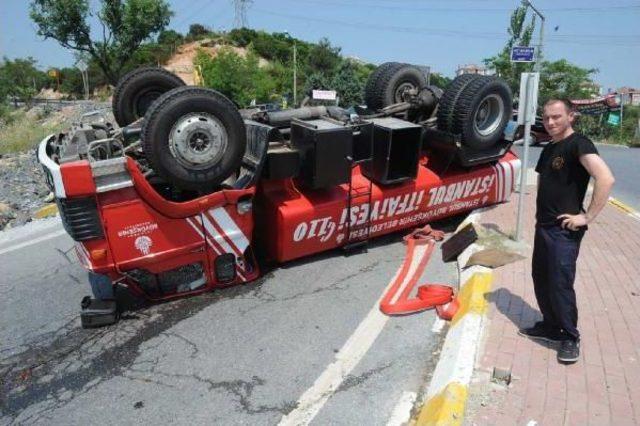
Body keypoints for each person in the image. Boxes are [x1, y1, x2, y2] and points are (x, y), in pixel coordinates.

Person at [518, 99, 615, 363]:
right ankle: (551, 326)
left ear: (571, 116)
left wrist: (587, 217)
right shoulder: (550, 147)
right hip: (544, 226)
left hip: (564, 229)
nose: (550, 122)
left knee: (560, 283)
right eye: (547, 117)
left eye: (557, 117)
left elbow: (606, 178)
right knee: (541, 277)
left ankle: (570, 337)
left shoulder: (578, 144)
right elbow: (544, 180)